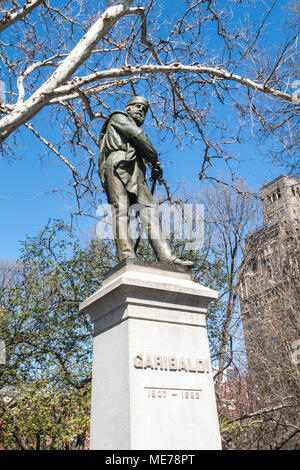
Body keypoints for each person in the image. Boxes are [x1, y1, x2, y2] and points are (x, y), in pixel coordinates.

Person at [98, 95, 193, 267]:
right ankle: (126, 255)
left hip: (136, 171)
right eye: (137, 106)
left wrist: (153, 166)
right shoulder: (118, 117)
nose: (141, 111)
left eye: (145, 109)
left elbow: (140, 146)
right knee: (121, 211)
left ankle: (166, 256)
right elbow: (139, 136)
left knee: (149, 212)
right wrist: (154, 159)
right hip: (117, 164)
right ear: (128, 108)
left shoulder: (131, 132)